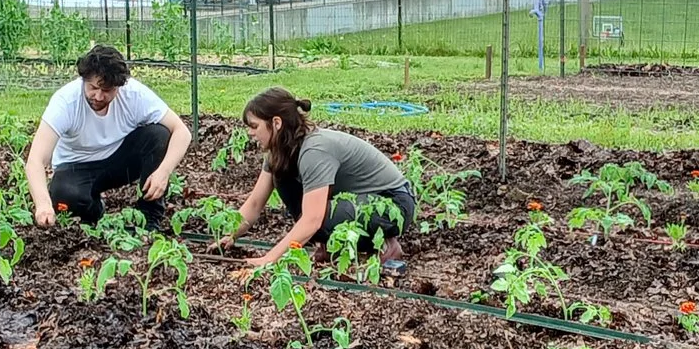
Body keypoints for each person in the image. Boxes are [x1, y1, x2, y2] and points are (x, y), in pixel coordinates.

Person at [225, 87, 415, 271]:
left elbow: (312, 218)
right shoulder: (280, 152)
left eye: (254, 126)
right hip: (355, 200)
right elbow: (255, 202)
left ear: (276, 123)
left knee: (317, 218)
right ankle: (328, 244)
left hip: (393, 204)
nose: (250, 133)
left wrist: (270, 258)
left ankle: (384, 244)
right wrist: (230, 235)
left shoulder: (314, 150)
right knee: (283, 178)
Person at [24, 44, 190, 227]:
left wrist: (163, 172)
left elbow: (182, 132)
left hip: (119, 162)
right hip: (76, 166)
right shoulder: (66, 102)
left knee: (159, 135)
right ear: (84, 79)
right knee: (64, 196)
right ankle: (94, 210)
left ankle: (149, 219)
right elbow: (35, 161)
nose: (98, 96)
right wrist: (43, 205)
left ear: (119, 86)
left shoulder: (134, 95)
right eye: (93, 87)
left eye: (107, 90)